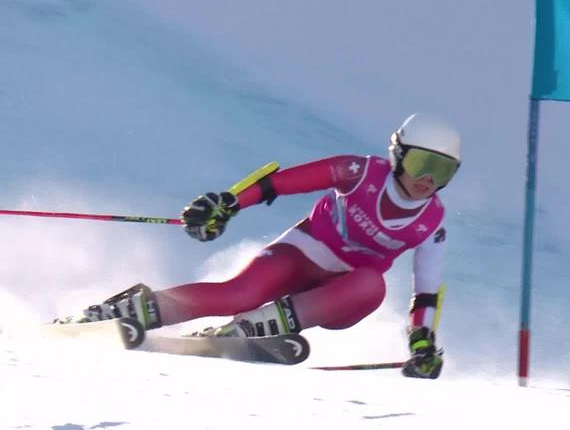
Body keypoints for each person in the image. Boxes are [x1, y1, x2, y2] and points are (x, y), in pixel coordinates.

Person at [70, 114, 460, 380]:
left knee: (372, 284)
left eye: (442, 171)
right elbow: (283, 182)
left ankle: (249, 330)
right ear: (399, 155)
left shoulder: (431, 223)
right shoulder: (359, 173)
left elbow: (425, 294)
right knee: (239, 293)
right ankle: (126, 312)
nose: (427, 179)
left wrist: (422, 343)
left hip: (342, 294)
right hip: (304, 252)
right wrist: (228, 203)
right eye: (422, 163)